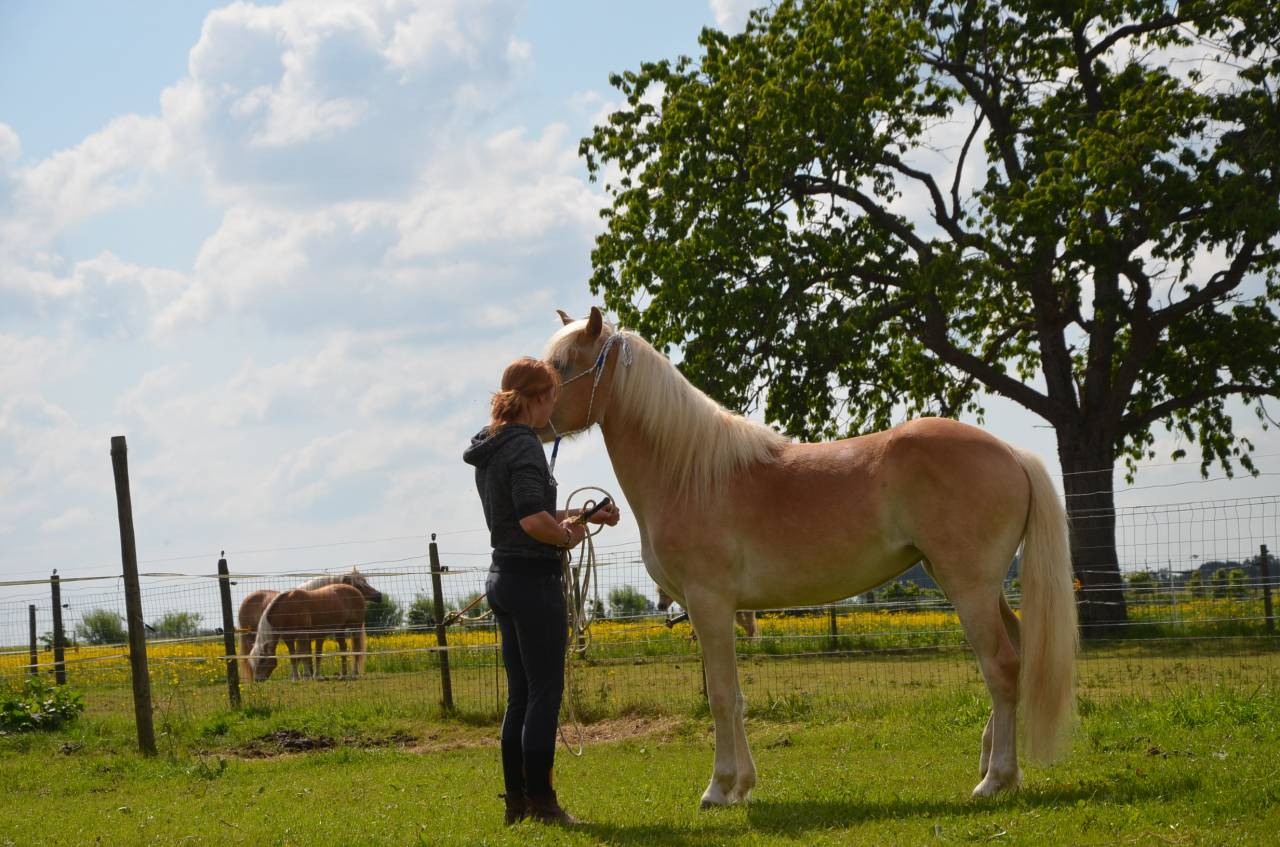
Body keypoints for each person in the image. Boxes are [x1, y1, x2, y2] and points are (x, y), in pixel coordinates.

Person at [463, 356, 621, 826]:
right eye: (551, 395)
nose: (554, 405)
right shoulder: (525, 445)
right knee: (545, 693)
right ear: (535, 400)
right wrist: (567, 536)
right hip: (534, 582)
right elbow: (534, 521)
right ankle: (544, 804)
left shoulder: (491, 446)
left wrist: (580, 520)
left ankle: (517, 803)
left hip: (504, 576)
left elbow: (521, 519)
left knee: (521, 695)